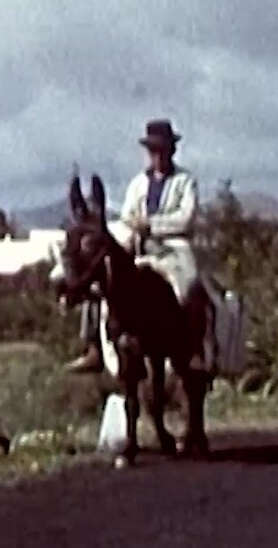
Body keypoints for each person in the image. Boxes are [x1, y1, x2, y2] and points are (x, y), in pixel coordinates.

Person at [65, 118, 207, 373]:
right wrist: (133, 228)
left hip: (174, 246)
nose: (157, 156)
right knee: (101, 280)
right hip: (140, 246)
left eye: (162, 150)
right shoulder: (138, 184)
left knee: (190, 284)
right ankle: (94, 346)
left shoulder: (186, 181)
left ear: (172, 150)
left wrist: (152, 224)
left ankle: (194, 349)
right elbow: (128, 214)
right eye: (153, 151)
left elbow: (186, 217)